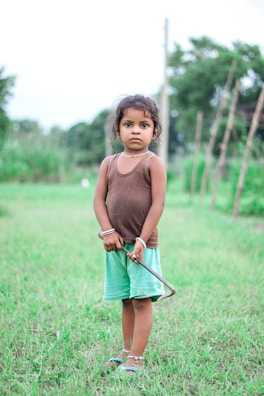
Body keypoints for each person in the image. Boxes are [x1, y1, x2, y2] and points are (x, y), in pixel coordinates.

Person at [93, 94, 167, 377]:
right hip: (115, 247)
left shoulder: (152, 163)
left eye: (144, 125)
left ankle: (136, 358)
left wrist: (140, 240)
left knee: (141, 300)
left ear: (154, 131)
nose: (136, 130)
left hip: (141, 246)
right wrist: (108, 231)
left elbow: (158, 204)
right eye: (129, 124)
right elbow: (99, 200)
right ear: (118, 129)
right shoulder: (108, 164)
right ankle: (125, 352)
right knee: (126, 299)